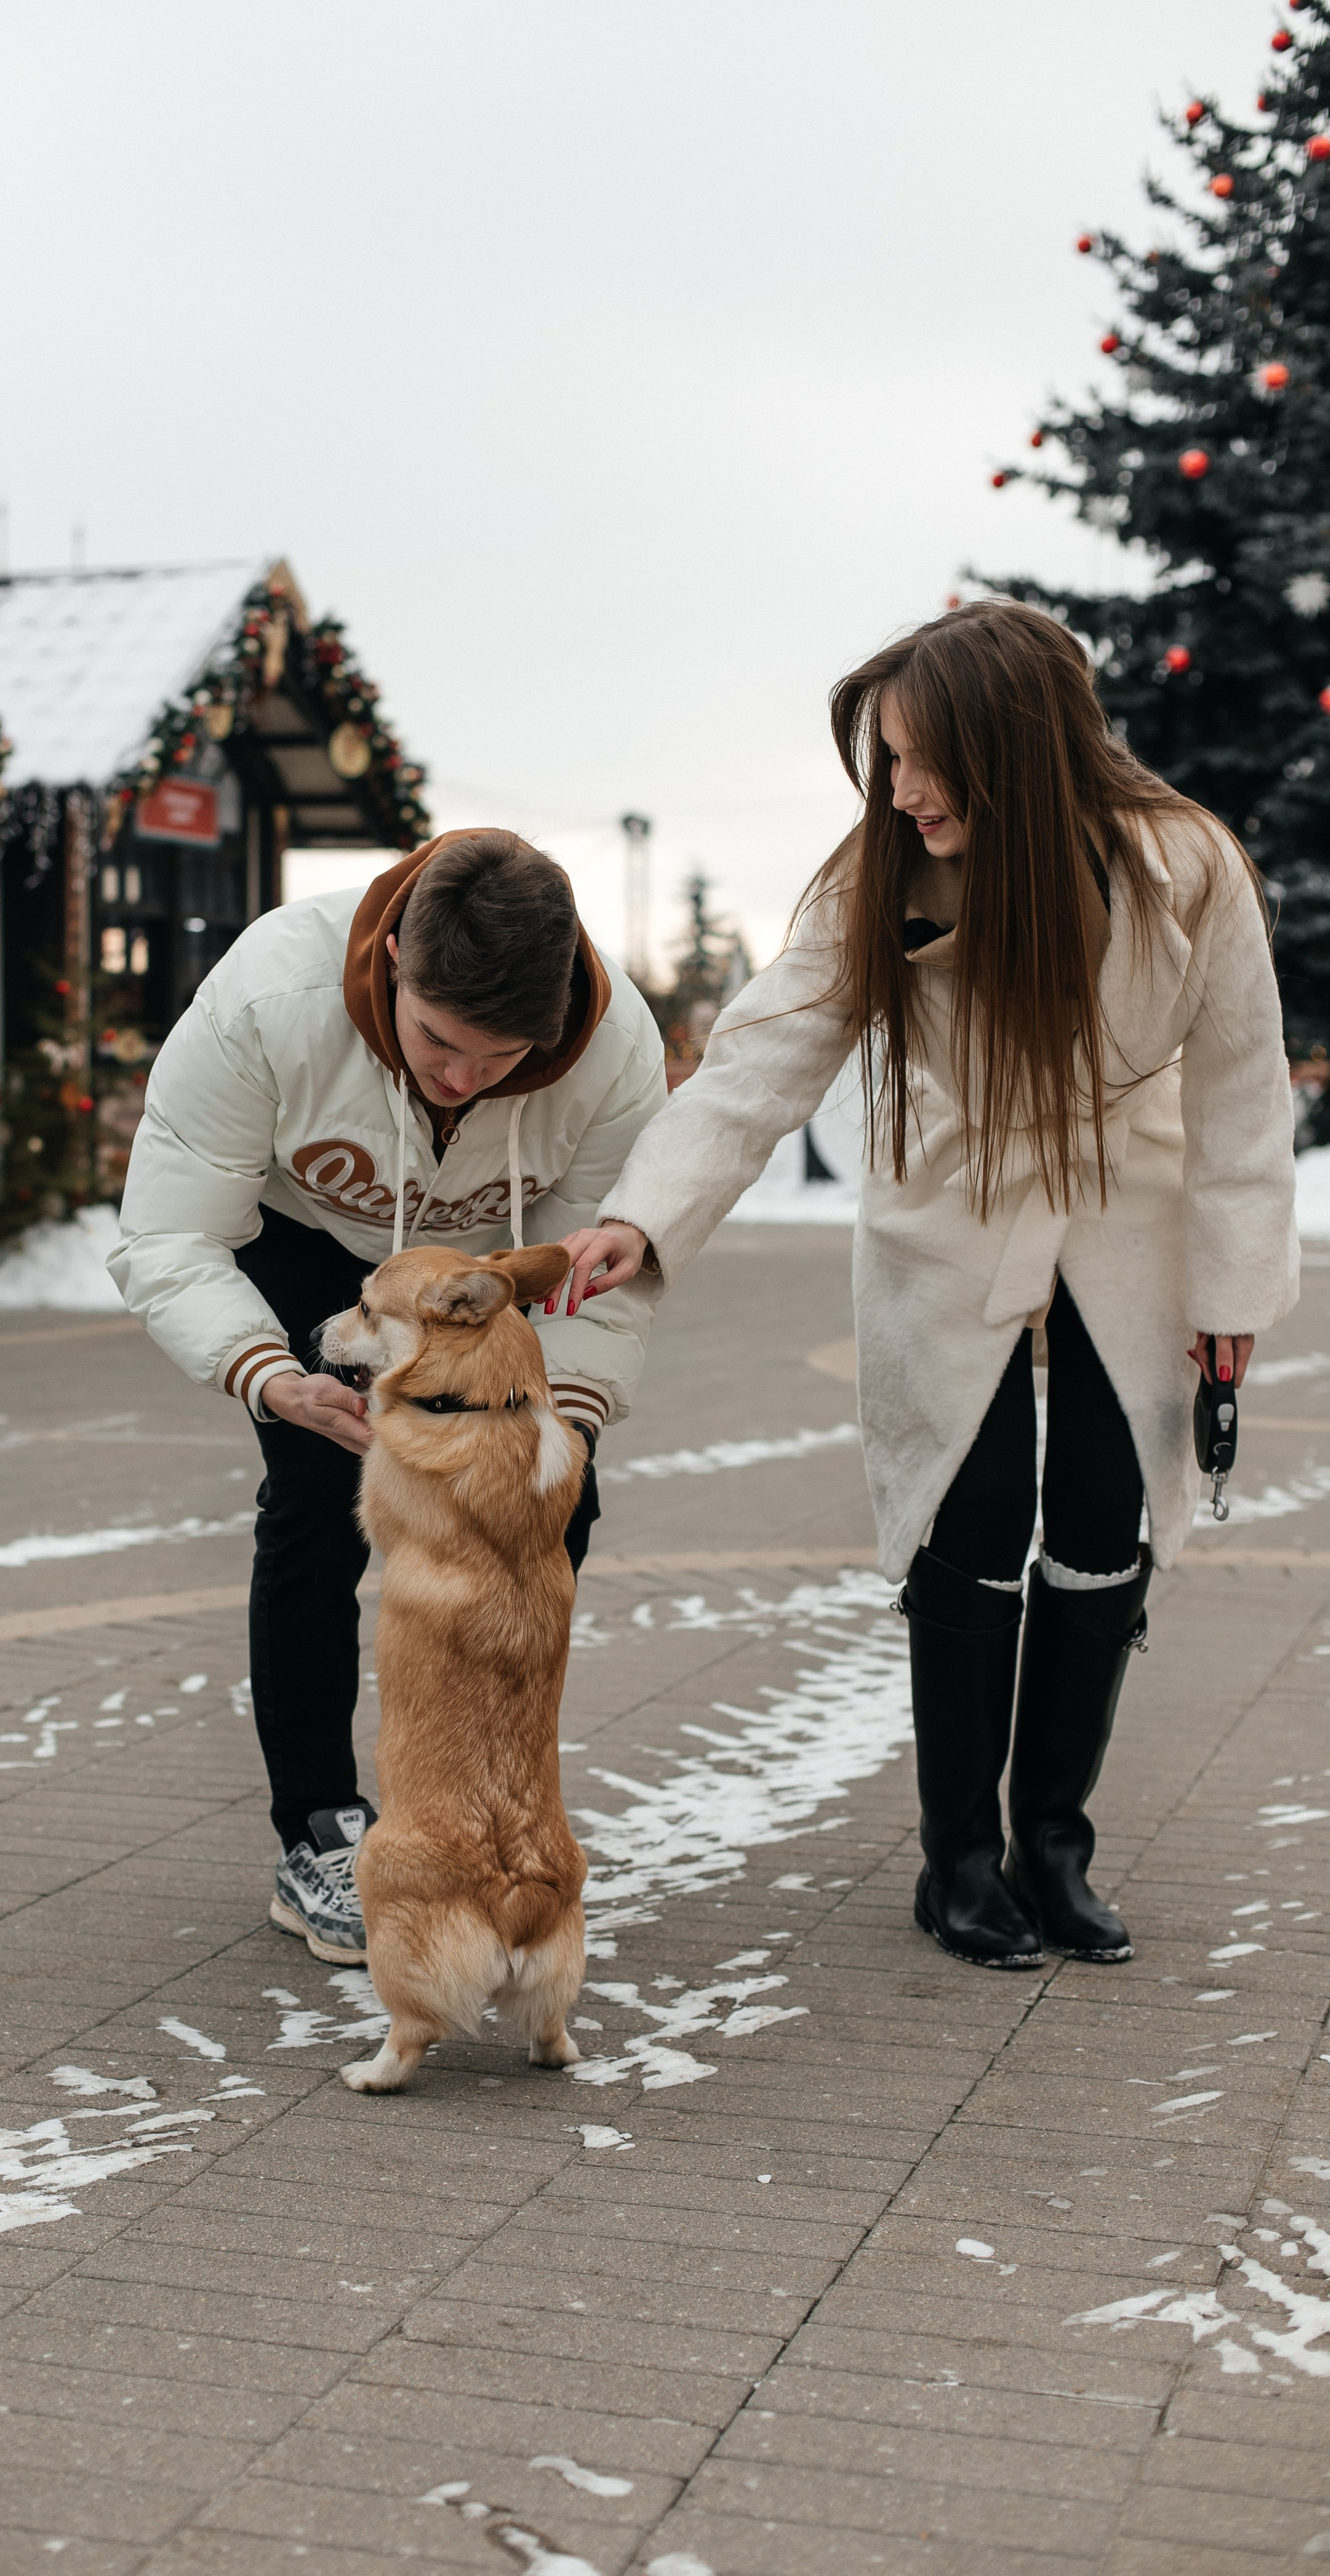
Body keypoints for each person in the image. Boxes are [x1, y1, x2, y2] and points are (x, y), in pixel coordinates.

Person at [556, 599, 1299, 1972]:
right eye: (882, 759)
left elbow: (1246, 1095)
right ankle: (955, 1861)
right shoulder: (875, 875)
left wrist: (1231, 1295)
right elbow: (760, 1059)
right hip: (944, 1204)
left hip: (1123, 1211)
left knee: (1096, 1529)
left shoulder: (1183, 867)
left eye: (916, 759)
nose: (893, 790)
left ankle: (1051, 1849)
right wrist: (641, 1216)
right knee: (962, 1528)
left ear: (1009, 748)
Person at [111, 826, 665, 1964]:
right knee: (322, 1496)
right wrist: (268, 1375)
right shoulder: (271, 998)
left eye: (501, 1059)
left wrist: (573, 1418)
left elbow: (600, 1267)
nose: (462, 1079)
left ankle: (479, 1807)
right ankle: (318, 1827)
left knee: (554, 1511)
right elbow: (170, 1232)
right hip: (310, 1248)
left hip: (486, 1269)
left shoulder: (614, 1052)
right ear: (396, 964)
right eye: (439, 1042)